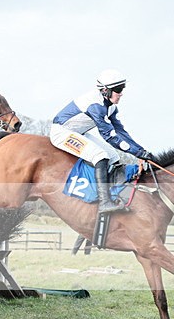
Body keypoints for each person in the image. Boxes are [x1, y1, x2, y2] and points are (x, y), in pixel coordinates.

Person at [50, 69, 152, 214]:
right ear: (105, 90)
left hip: (78, 132)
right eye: (117, 89)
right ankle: (104, 202)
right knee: (100, 156)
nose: (121, 93)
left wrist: (141, 152)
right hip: (61, 132)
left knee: (114, 156)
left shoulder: (111, 107)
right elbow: (109, 136)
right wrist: (136, 152)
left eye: (122, 88)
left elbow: (121, 132)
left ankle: (113, 193)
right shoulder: (96, 105)